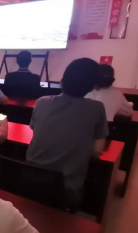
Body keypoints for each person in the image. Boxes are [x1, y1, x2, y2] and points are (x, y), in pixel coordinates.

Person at [27, 58, 109, 211]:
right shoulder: (96, 108)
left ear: (62, 80)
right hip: (66, 190)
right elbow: (97, 151)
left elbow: (35, 129)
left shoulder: (42, 102)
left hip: (29, 179)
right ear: (92, 86)